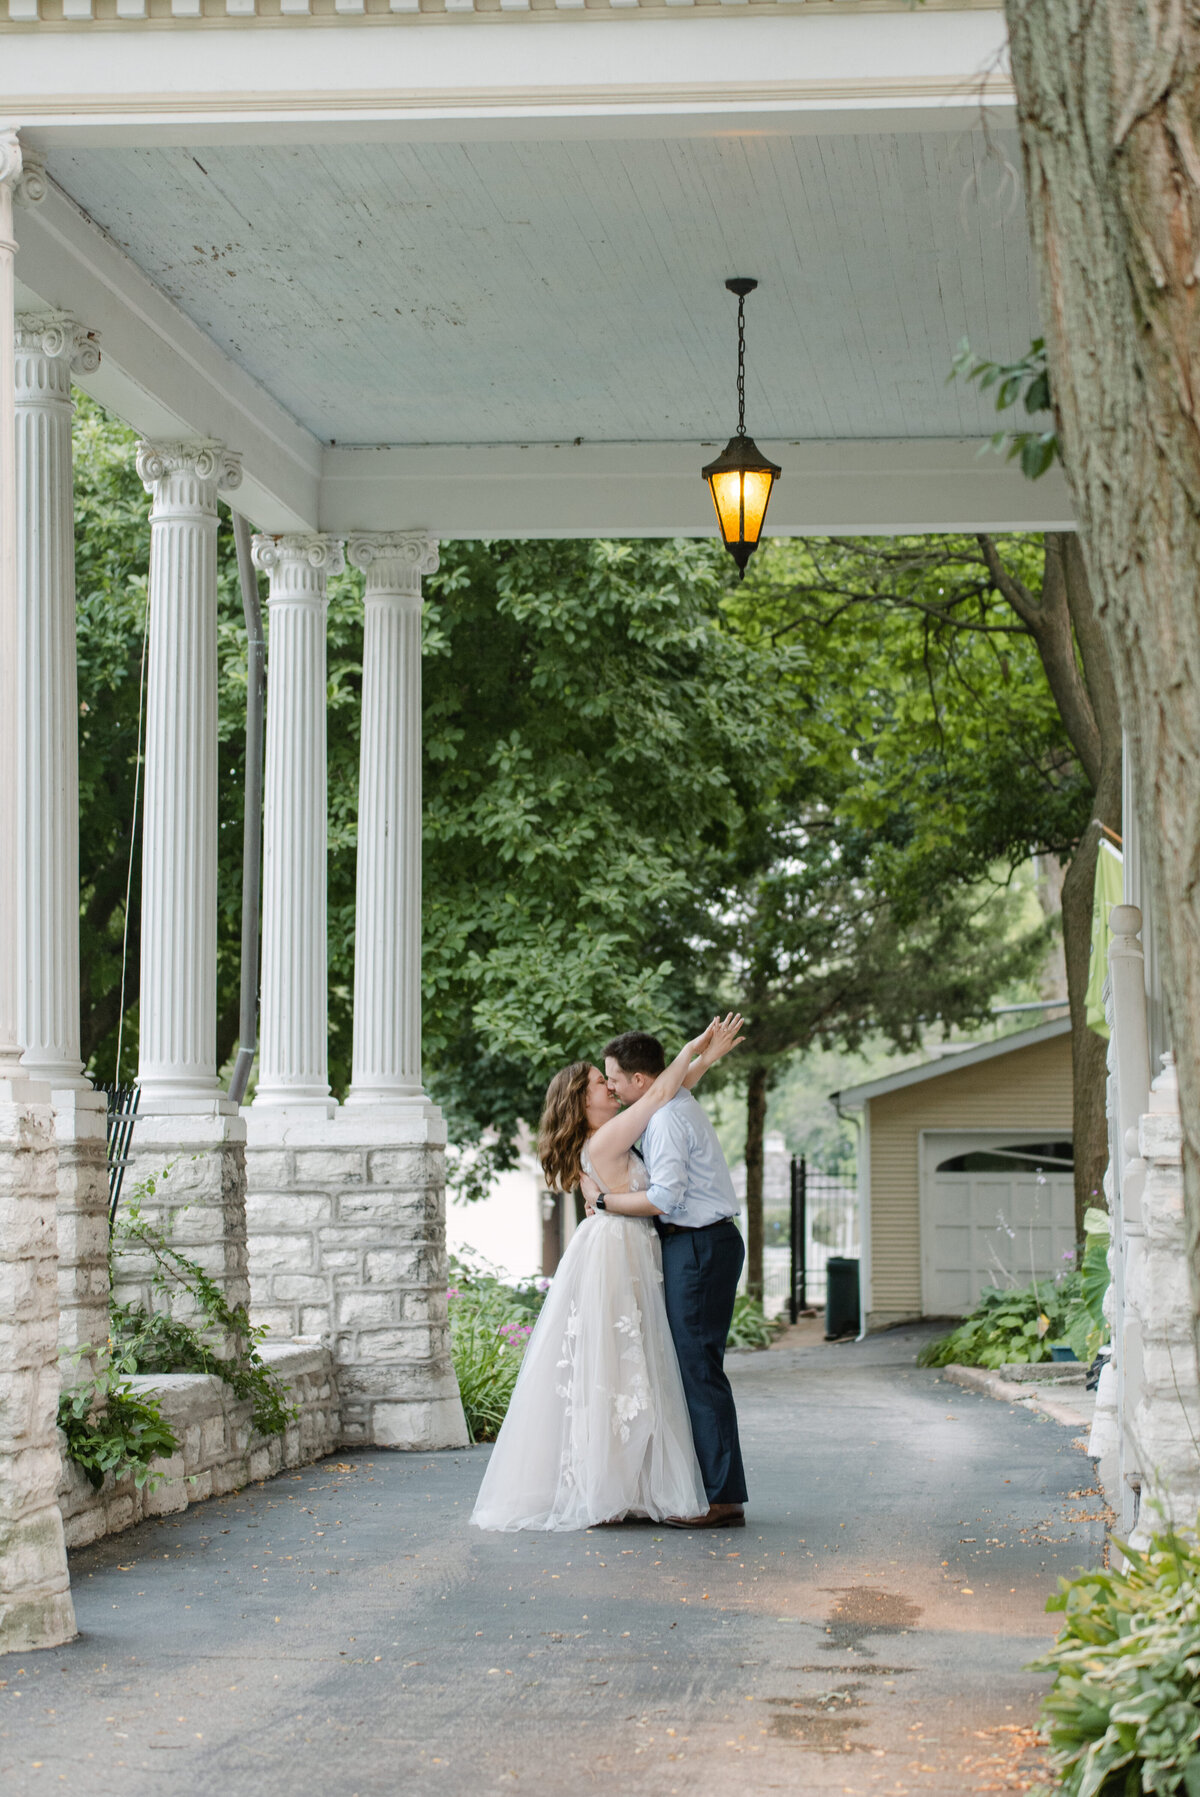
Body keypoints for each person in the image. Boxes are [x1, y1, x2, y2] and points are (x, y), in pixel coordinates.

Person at [470, 1015, 744, 1533]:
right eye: (601, 1082)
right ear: (582, 1100)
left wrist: (702, 1061)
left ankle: (627, 1483)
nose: (610, 1085)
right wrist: (695, 1048)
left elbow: (660, 1091)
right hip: (620, 1252)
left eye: (611, 1077)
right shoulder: (607, 1139)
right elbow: (658, 1091)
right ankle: (622, 1485)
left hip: (627, 1250)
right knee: (627, 1367)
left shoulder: (610, 1134)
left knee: (627, 1368)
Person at [585, 1030, 748, 1529]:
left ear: (638, 1080)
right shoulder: (667, 1104)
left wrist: (604, 1203)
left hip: (698, 1245)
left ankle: (723, 1499)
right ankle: (709, 1487)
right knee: (691, 1366)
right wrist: (701, 1057)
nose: (611, 1090)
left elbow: (664, 1198)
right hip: (695, 1244)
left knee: (698, 1368)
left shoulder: (669, 1120)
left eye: (614, 1080)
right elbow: (675, 1081)